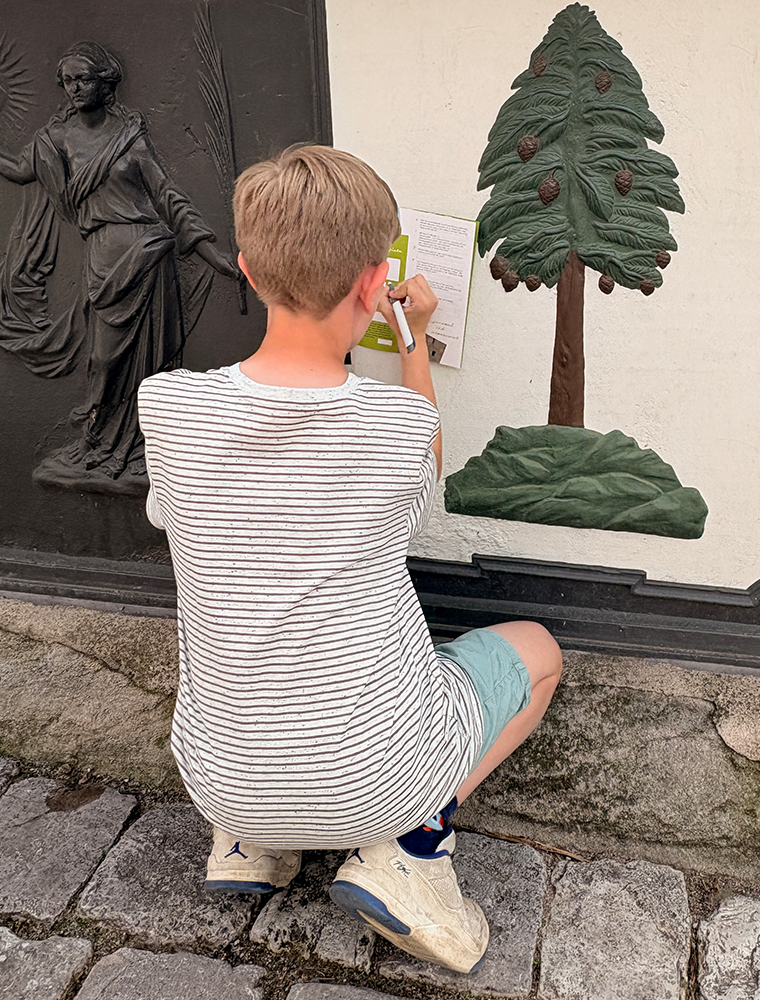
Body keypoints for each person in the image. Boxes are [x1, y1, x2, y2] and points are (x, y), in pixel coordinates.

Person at [136, 144, 562, 973]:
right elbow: (420, 483)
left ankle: (252, 843)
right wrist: (416, 344)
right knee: (538, 653)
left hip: (220, 780)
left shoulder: (171, 407)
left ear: (250, 272)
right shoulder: (397, 429)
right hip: (371, 779)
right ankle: (411, 847)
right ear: (375, 285)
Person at [0, 41, 236, 486]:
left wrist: (210, 252)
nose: (74, 88)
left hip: (149, 255)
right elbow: (17, 169)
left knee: (151, 365)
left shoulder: (129, 135)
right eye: (67, 81)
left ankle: (141, 446)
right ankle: (102, 440)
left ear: (104, 83)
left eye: (82, 79)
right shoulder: (56, 138)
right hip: (103, 257)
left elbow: (167, 195)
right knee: (104, 359)